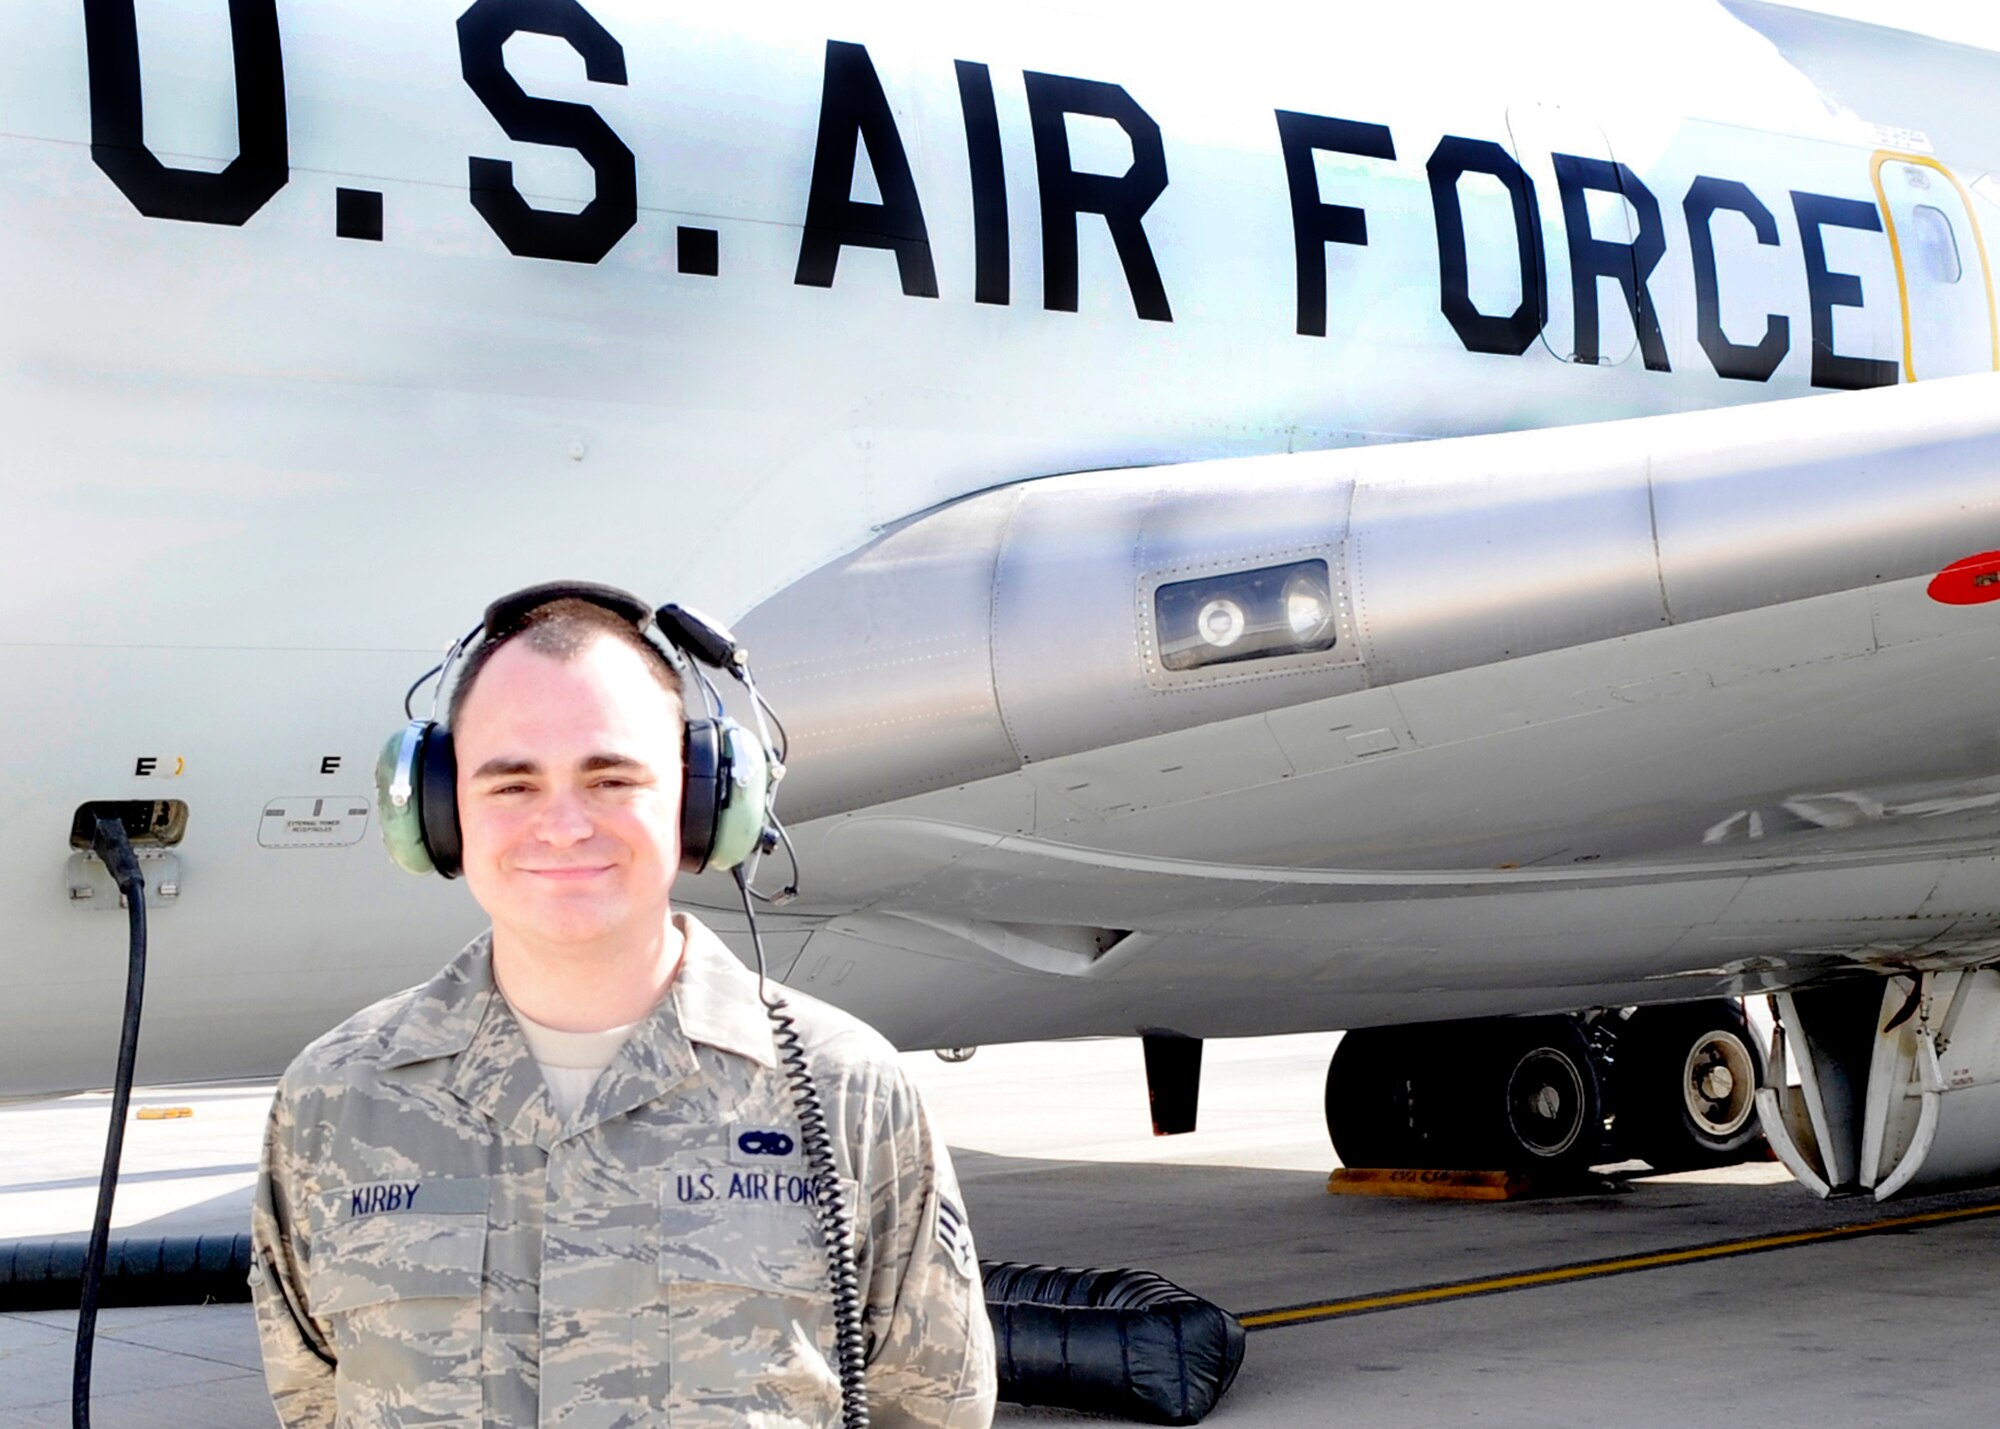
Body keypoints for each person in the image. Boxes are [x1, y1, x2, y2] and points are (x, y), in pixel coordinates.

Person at [248, 592, 997, 1427]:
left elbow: (928, 1405)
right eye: (511, 783)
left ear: (702, 801)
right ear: (435, 810)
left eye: (612, 778)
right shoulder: (334, 1101)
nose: (563, 825)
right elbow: (315, 1398)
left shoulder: (843, 1091)